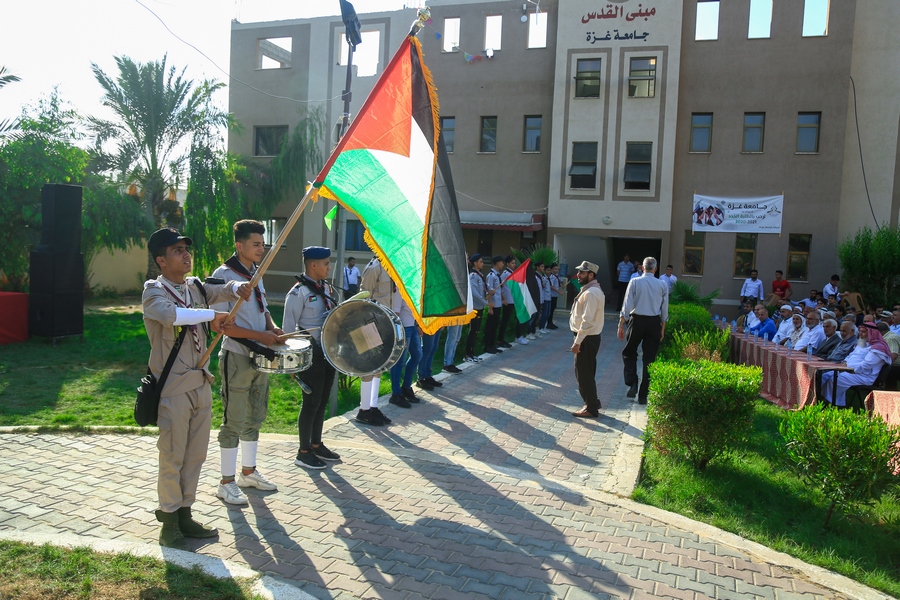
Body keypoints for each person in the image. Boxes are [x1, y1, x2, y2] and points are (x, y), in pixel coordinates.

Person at [142, 227, 249, 550]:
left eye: (186, 248)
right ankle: (169, 521)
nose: (185, 254)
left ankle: (185, 513)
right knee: (173, 455)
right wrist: (212, 315)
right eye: (176, 250)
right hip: (173, 386)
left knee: (195, 455)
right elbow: (170, 315)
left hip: (200, 381)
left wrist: (238, 287)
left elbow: (222, 288)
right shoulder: (154, 292)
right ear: (161, 260)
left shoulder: (195, 287)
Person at [211, 220, 284, 506]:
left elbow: (263, 309)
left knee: (255, 416)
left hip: (259, 356)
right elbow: (222, 326)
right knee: (234, 420)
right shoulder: (223, 275)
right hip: (237, 356)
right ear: (239, 245)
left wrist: (272, 327)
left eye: (262, 244)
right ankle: (226, 482)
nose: (261, 249)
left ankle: (248, 472)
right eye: (255, 244)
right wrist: (260, 336)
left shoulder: (257, 271)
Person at [282, 246, 339, 471]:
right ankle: (303, 452)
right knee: (311, 403)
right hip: (310, 355)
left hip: (328, 353)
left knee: (322, 401)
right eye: (326, 263)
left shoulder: (325, 288)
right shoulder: (298, 293)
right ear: (313, 265)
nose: (329, 267)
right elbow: (288, 330)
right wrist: (292, 364)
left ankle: (316, 444)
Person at [618, 257, 669, 405]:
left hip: (637, 320)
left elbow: (627, 304)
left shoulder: (635, 281)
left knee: (629, 352)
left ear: (642, 268)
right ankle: (643, 395)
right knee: (649, 358)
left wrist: (621, 323)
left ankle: (632, 382)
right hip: (654, 322)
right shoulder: (662, 284)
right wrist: (662, 328)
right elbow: (664, 309)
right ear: (655, 269)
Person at [356, 257, 394, 426]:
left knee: (379, 367)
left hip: (386, 322)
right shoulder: (374, 267)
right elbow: (363, 297)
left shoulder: (391, 267)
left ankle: (372, 407)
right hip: (371, 322)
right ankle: (363, 410)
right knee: (369, 368)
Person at [819, 322, 891, 407]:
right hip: (849, 371)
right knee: (824, 376)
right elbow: (851, 356)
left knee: (835, 379)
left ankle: (833, 404)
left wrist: (849, 368)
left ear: (872, 333)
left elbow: (866, 365)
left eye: (863, 332)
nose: (861, 334)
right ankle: (819, 399)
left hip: (864, 376)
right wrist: (845, 363)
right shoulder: (862, 343)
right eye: (860, 331)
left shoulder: (878, 349)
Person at [569, 261, 605, 418]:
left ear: (591, 275)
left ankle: (591, 408)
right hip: (588, 338)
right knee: (586, 372)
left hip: (586, 339)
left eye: (582, 273)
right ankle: (593, 402)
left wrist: (577, 342)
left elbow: (587, 321)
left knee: (584, 374)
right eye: (579, 272)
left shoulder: (591, 293)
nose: (578, 275)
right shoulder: (590, 290)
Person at [388, 292, 422, 408]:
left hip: (412, 325)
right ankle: (396, 394)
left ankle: (406, 387)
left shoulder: (412, 286)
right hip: (403, 327)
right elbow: (396, 313)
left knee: (417, 355)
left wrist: (418, 324)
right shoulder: (399, 288)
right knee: (399, 362)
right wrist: (400, 333)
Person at [465, 254, 487, 362]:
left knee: (476, 330)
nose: (483, 263)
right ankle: (467, 354)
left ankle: (472, 353)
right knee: (473, 330)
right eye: (481, 261)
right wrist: (485, 302)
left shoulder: (479, 275)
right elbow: (474, 293)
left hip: (479, 306)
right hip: (475, 307)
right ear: (475, 263)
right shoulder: (473, 275)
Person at [483, 255, 505, 354]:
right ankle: (487, 346)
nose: (503, 264)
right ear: (497, 263)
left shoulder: (497, 275)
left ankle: (493, 345)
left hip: (498, 304)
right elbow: (489, 291)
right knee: (490, 326)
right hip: (493, 305)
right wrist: (490, 306)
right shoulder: (491, 276)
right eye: (502, 262)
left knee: (495, 325)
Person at [499, 255, 519, 346]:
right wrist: (503, 298)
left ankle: (502, 339)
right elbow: (500, 286)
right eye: (512, 263)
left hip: (512, 299)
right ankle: (500, 339)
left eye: (514, 263)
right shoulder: (505, 273)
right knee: (504, 320)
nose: (514, 265)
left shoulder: (512, 273)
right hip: (507, 300)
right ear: (507, 264)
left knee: (506, 320)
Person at [547, 263, 562, 329]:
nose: (557, 270)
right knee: (551, 310)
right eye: (555, 269)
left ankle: (551, 322)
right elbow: (551, 286)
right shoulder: (552, 277)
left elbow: (561, 280)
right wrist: (559, 292)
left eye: (557, 269)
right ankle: (549, 323)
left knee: (553, 309)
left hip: (555, 295)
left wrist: (563, 284)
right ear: (552, 269)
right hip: (552, 295)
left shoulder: (557, 276)